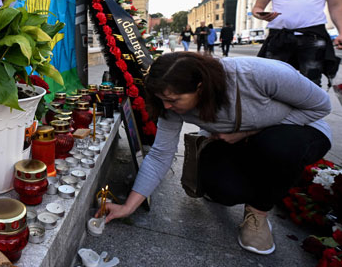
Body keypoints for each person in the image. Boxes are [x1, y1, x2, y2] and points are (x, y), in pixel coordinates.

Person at [97, 52, 331, 255]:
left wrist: (247, 132)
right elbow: (160, 154)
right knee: (221, 189)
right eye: (162, 100)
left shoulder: (257, 74)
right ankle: (258, 177)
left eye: (173, 100)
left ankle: (258, 213)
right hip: (237, 142)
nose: (167, 106)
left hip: (299, 131)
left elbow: (321, 106)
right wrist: (129, 206)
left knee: (278, 146)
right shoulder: (169, 102)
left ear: (200, 87)